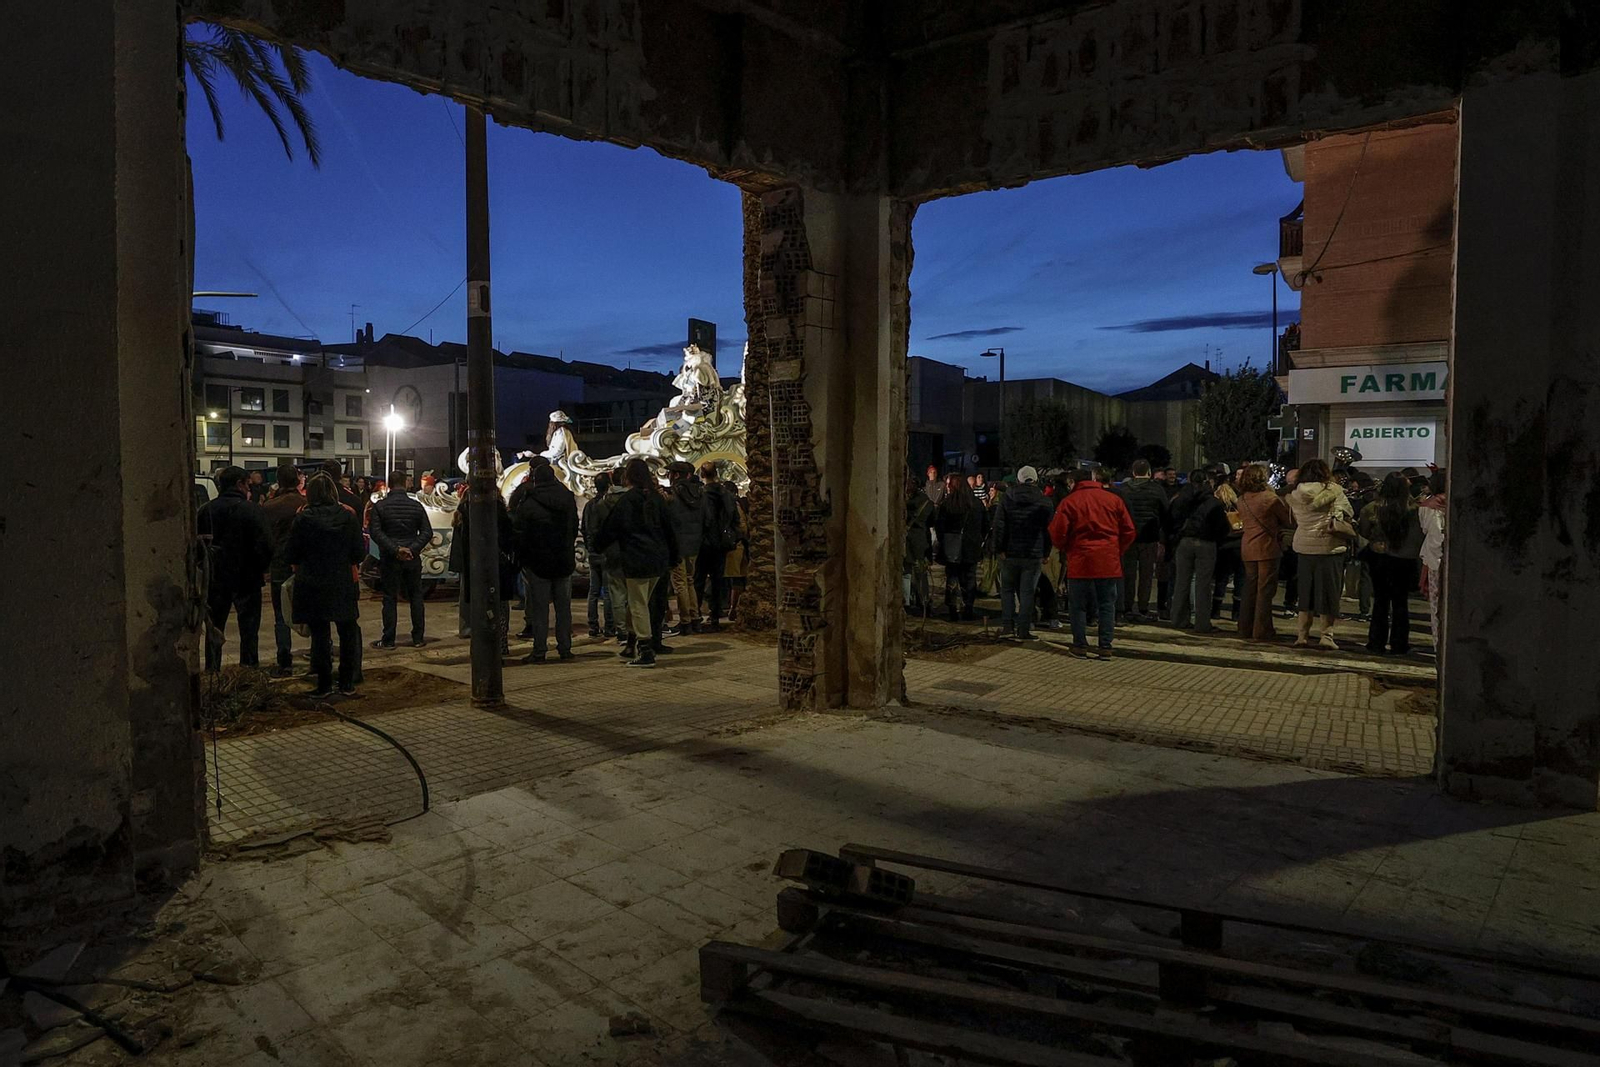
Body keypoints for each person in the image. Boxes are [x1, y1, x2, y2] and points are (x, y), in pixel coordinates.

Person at [285, 474, 366, 697]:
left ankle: (323, 685)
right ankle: (347, 683)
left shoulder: (303, 518)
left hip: (312, 582)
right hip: (342, 581)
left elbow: (291, 552)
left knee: (320, 635)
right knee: (347, 631)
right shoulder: (347, 516)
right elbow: (359, 552)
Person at [593, 458, 679, 667]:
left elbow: (611, 528)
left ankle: (646, 650)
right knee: (638, 601)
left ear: (628, 476)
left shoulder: (628, 500)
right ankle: (631, 644)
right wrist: (673, 557)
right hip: (657, 560)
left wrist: (597, 546)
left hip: (637, 559)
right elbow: (670, 529)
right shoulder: (657, 499)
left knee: (638, 604)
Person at [1050, 467, 1135, 657]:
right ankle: (1105, 646)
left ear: (1074, 482)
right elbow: (1129, 530)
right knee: (1106, 605)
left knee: (1078, 605)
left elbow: (1057, 532)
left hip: (1080, 560)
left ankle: (1080, 645)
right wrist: (1117, 550)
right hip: (1108, 560)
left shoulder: (1069, 502)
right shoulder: (1114, 500)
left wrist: (1066, 548)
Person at [198, 466, 273, 670]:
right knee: (249, 630)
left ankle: (213, 672)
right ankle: (248, 672)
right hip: (247, 578)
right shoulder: (252, 510)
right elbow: (265, 544)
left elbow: (197, 548)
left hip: (216, 579)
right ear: (240, 484)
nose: (250, 489)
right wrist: (262, 567)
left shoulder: (206, 510)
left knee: (215, 629)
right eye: (248, 484)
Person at [512, 463, 579, 663]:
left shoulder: (529, 502)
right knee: (563, 608)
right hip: (564, 560)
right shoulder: (567, 498)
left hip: (538, 563)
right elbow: (574, 527)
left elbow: (520, 532)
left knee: (539, 609)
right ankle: (565, 648)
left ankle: (539, 650)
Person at [1285, 458, 1355, 649]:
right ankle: (1326, 636)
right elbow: (1347, 512)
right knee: (1328, 592)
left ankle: (1302, 635)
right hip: (1328, 547)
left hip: (1304, 547)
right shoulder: (1333, 491)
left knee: (1305, 592)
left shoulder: (1295, 494)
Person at [1359, 471, 1424, 655]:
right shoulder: (1414, 509)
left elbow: (1364, 531)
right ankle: (1399, 644)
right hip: (1404, 560)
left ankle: (1376, 642)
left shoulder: (1371, 508)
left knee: (1380, 601)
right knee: (1401, 602)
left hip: (1379, 557)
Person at [369, 469, 432, 648]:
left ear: (389, 484)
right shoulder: (416, 506)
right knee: (416, 597)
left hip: (390, 558)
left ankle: (388, 639)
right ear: (405, 484)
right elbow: (427, 532)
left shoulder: (380, 506)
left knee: (389, 598)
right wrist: (411, 549)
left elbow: (376, 532)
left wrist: (395, 549)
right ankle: (418, 638)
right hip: (412, 558)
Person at [451, 489, 519, 657]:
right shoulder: (501, 513)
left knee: (479, 605)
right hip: (498, 564)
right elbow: (509, 539)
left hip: (474, 566)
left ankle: (480, 645)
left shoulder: (464, 513)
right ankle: (501, 644)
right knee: (501, 605)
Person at [991, 466, 1054, 640]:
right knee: (1027, 593)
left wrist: (999, 549)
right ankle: (1023, 629)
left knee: (1007, 590)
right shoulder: (1044, 501)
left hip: (1009, 552)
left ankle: (1007, 627)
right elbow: (1049, 530)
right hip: (1033, 553)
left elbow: (999, 526)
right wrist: (1046, 552)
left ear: (1018, 479)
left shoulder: (1007, 499)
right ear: (1035, 480)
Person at [1236, 464, 1293, 641]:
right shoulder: (1270, 498)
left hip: (1248, 547)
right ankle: (1262, 631)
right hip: (1267, 547)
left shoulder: (1242, 499)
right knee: (1265, 591)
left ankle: (1244, 627)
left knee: (1249, 588)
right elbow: (1288, 520)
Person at [1169, 472, 1231, 634]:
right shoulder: (1213, 503)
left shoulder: (1181, 499)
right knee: (1203, 585)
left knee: (1181, 581)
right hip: (1206, 543)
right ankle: (1202, 623)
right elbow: (1223, 527)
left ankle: (1178, 619)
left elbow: (1172, 519)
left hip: (1184, 542)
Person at [260, 462, 306, 674]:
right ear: (297, 481)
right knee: (312, 611)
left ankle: (284, 657)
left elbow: (264, 539)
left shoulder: (269, 507)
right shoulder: (307, 504)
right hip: (305, 564)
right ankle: (318, 654)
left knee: (280, 614)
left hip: (279, 563)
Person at [1117, 459, 1169, 621]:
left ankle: (1126, 606)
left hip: (1128, 537)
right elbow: (1165, 512)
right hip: (1149, 536)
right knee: (1146, 574)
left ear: (1133, 472)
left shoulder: (1123, 490)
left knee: (1128, 574)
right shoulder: (1156, 489)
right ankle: (1143, 607)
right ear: (1149, 472)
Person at [586, 470, 633, 647]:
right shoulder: (629, 501)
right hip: (623, 551)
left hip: (602, 551)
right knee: (615, 592)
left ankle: (599, 626)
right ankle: (614, 627)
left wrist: (595, 548)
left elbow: (591, 528)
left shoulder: (596, 505)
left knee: (598, 591)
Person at [696, 462, 743, 631]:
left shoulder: (701, 495)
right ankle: (715, 615)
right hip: (722, 543)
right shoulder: (727, 494)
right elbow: (734, 518)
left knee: (699, 580)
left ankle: (697, 616)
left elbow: (704, 519)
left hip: (705, 542)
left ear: (702, 475)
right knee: (718, 579)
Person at [933, 471, 984, 622]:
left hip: (952, 547)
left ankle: (953, 610)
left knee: (952, 577)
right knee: (969, 578)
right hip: (971, 547)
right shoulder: (976, 504)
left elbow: (939, 527)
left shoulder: (947, 504)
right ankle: (968, 608)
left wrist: (943, 542)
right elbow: (985, 525)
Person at [664, 461, 707, 633]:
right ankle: (695, 618)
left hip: (678, 544)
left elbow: (669, 519)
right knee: (689, 581)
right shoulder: (699, 493)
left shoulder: (673, 494)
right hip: (694, 544)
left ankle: (685, 620)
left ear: (675, 475)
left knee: (680, 583)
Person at [582, 471, 618, 639]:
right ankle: (610, 626)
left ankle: (593, 625)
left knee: (593, 591)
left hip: (592, 551)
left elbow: (584, 527)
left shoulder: (589, 505)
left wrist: (590, 546)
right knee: (608, 591)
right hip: (606, 551)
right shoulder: (608, 503)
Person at [1418, 469, 1447, 652]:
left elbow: (1428, 532)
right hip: (1456, 561)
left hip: (1434, 560)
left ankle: (1439, 647)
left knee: (1436, 608)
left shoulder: (1426, 506)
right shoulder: (1458, 501)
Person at [1211, 479, 1244, 623]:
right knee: (1240, 580)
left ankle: (1216, 610)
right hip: (1240, 546)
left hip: (1224, 547)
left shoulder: (1218, 508)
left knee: (1221, 579)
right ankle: (1237, 612)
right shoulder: (1239, 507)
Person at [903, 470, 935, 614]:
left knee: (906, 572)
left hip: (907, 539)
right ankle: (924, 601)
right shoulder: (927, 502)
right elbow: (932, 522)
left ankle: (906, 601)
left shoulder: (904, 503)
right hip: (921, 539)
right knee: (921, 573)